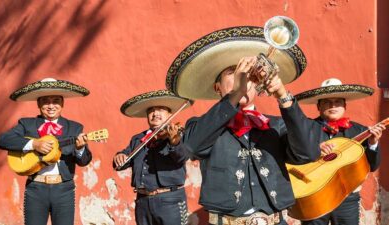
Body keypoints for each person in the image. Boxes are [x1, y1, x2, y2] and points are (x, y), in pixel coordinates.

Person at [165, 26, 321, 225]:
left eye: (249, 74)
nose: (244, 78)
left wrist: (283, 95)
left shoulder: (275, 125)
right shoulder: (202, 125)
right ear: (217, 87)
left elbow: (308, 153)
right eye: (234, 72)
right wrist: (235, 95)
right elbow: (191, 147)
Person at [0, 78, 92, 225]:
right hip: (35, 188)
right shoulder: (27, 124)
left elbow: (84, 161)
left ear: (62, 103)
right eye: (46, 101)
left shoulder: (75, 128)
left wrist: (80, 148)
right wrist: (34, 144)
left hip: (64, 190)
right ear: (38, 104)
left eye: (55, 101)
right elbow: (3, 140)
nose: (51, 106)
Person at [294, 78, 385, 225]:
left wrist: (373, 143)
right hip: (315, 197)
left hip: (347, 199)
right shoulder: (307, 129)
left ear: (344, 105)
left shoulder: (360, 131)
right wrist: (314, 148)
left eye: (337, 101)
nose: (333, 105)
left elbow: (373, 166)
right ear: (318, 106)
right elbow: (294, 155)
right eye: (327, 102)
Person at [113, 90, 193, 225]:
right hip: (143, 201)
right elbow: (123, 160)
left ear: (170, 114)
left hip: (170, 201)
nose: (155, 114)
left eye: (160, 109)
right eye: (151, 111)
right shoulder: (138, 139)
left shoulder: (177, 134)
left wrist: (174, 142)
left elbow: (182, 157)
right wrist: (119, 156)